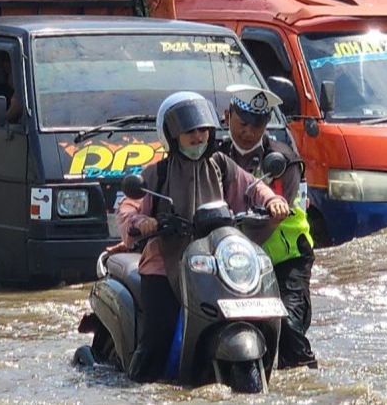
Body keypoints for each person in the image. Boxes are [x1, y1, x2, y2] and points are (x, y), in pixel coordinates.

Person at [116, 91, 290, 383]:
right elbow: (128, 207)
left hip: (214, 262)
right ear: (172, 135)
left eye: (202, 131)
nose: (198, 137)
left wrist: (272, 200)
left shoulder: (221, 164)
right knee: (159, 331)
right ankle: (137, 385)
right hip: (164, 264)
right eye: (189, 132)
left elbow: (253, 188)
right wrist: (141, 221)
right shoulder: (157, 173)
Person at [218, 84, 318, 369]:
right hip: (232, 260)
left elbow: (279, 208)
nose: (248, 132)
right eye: (243, 123)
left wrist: (272, 207)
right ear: (228, 116)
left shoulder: (283, 159)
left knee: (288, 327)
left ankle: (305, 378)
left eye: (258, 125)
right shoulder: (214, 157)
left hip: (286, 261)